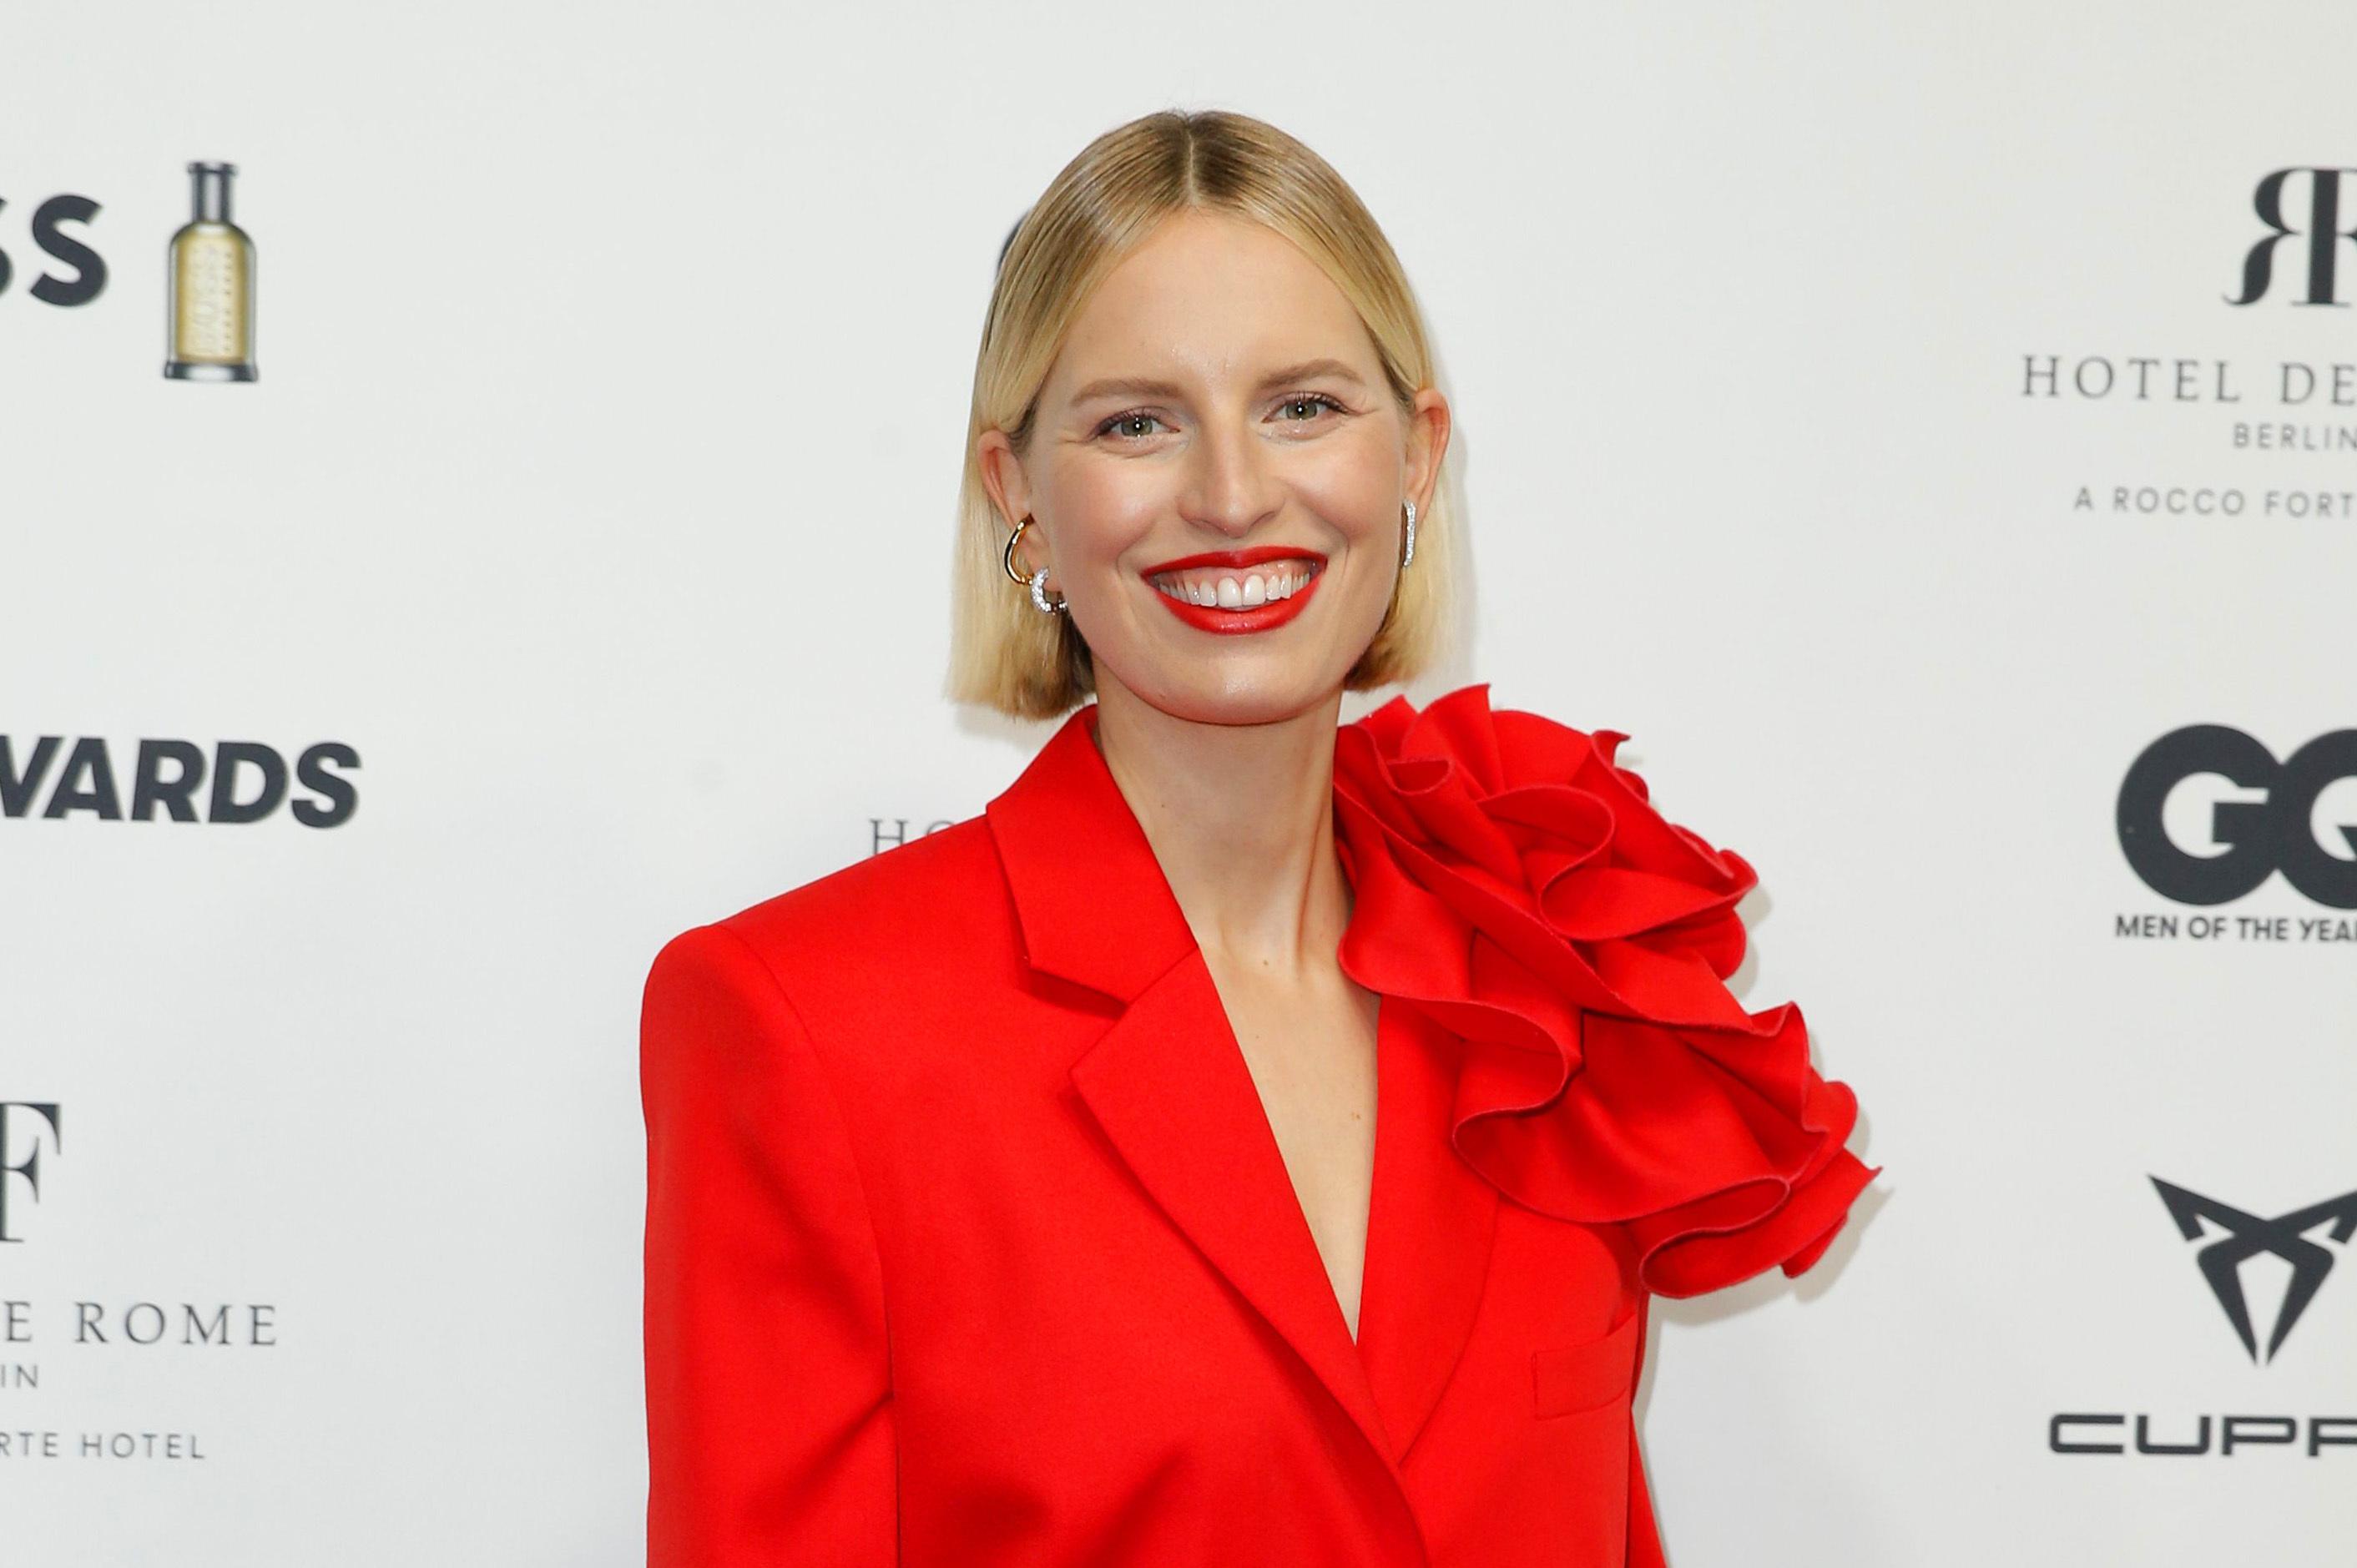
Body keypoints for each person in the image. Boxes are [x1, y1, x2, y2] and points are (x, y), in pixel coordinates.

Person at [638, 107, 1878, 1567]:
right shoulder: (807, 1026)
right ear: (1018, 494)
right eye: (1136, 422)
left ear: (1417, 455)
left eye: (1303, 406)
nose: (1232, 497)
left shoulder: (1548, 959)